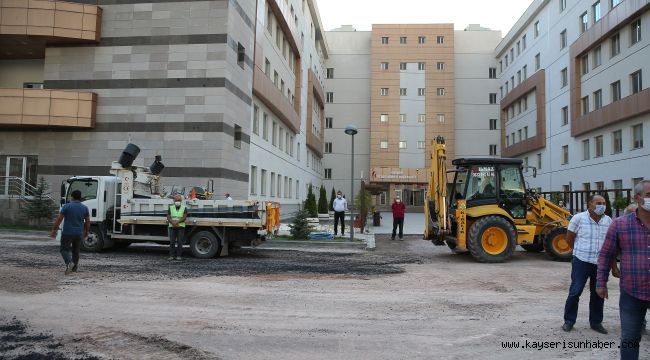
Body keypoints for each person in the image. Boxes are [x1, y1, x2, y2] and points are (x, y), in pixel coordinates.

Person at [597, 180, 650, 360]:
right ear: (637, 198)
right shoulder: (620, 225)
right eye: (649, 196)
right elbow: (606, 254)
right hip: (632, 292)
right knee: (629, 339)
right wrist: (600, 283)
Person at [561, 194, 612, 334]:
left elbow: (610, 244)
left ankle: (596, 322)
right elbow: (569, 239)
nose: (602, 205)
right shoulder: (578, 218)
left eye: (603, 203)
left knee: (598, 293)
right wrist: (579, 251)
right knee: (575, 291)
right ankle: (569, 321)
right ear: (589, 204)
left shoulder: (608, 221)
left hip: (600, 264)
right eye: (598, 203)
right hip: (581, 261)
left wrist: (613, 265)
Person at [50, 190, 90, 275]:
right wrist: (86, 231)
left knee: (64, 249)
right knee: (76, 250)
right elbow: (87, 221)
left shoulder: (67, 206)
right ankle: (74, 268)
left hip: (68, 232)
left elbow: (59, 219)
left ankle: (69, 263)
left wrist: (54, 230)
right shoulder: (84, 208)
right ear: (80, 197)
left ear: (72, 197)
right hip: (79, 233)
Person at [166, 194, 188, 260]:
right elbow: (168, 217)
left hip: (180, 226)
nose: (177, 201)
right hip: (172, 226)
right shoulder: (170, 207)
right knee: (172, 242)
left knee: (180, 242)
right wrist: (174, 223)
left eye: (179, 200)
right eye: (176, 200)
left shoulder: (184, 207)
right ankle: (171, 256)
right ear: (173, 200)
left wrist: (176, 222)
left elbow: (184, 217)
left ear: (181, 201)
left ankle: (179, 256)